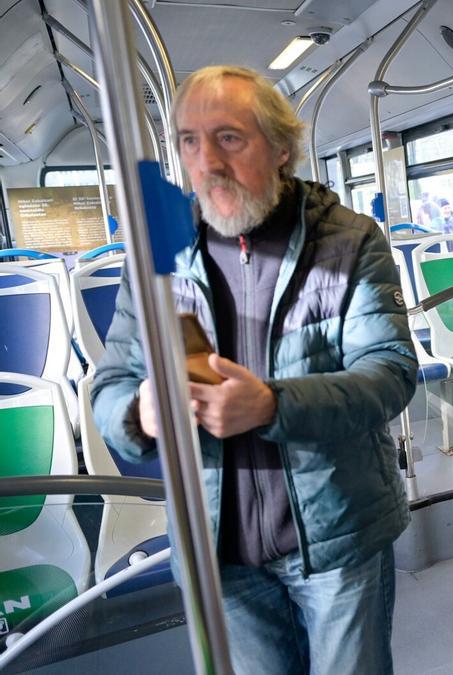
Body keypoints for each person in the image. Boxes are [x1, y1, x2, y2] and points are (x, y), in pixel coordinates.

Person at [91, 65, 418, 675]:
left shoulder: (349, 242)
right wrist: (139, 412)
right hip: (218, 549)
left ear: (281, 148)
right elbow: (109, 385)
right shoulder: (157, 258)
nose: (207, 162)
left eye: (229, 138)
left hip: (336, 535)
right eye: (189, 141)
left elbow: (391, 372)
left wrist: (273, 405)